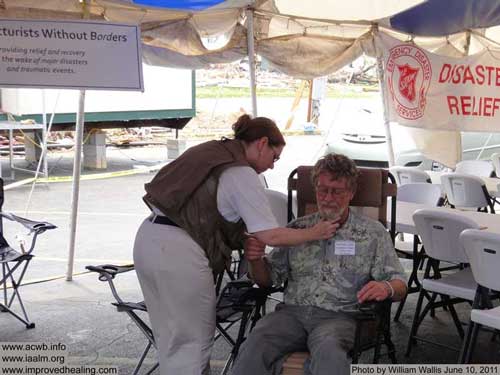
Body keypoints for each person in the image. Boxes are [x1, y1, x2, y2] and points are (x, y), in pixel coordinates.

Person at [132, 114, 339, 375]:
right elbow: (270, 236)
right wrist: (315, 232)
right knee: (193, 341)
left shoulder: (212, 152)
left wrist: (242, 238)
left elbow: (211, 210)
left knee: (170, 337)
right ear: (262, 143)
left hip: (149, 239)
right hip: (179, 252)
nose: (273, 167)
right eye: (274, 158)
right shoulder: (241, 172)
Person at [231, 153, 407, 375]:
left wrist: (386, 287)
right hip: (291, 315)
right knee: (258, 341)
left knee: (329, 350)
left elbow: (400, 284)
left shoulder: (372, 234)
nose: (327, 197)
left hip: (340, 317)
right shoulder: (296, 229)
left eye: (337, 191)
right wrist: (255, 260)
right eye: (322, 189)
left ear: (351, 193)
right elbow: (268, 279)